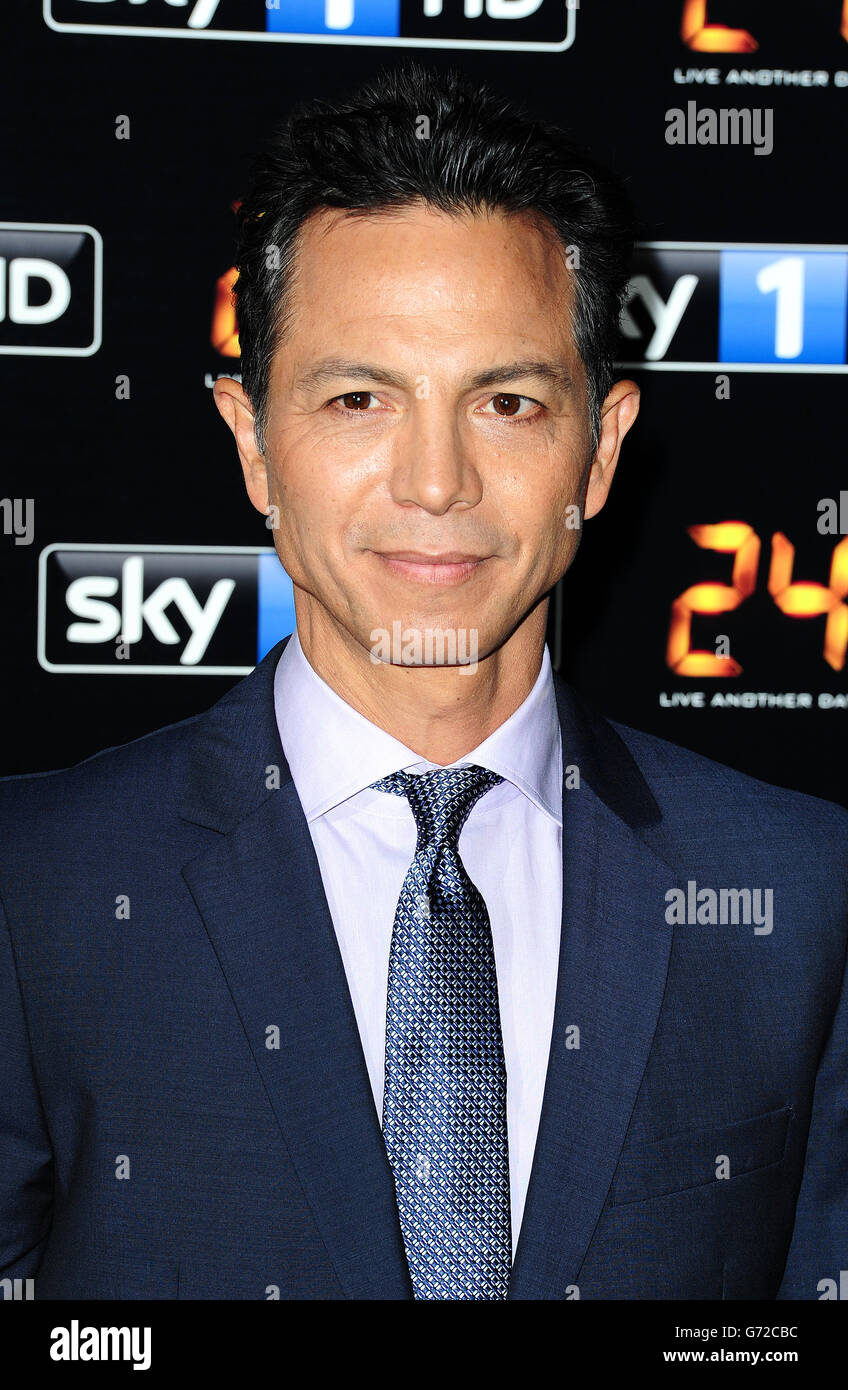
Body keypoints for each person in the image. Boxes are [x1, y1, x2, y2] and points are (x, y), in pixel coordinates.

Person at [1, 64, 846, 1302]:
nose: (435, 480)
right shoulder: (35, 884)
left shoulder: (801, 892)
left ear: (599, 451)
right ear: (252, 443)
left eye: (505, 402)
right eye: (358, 400)